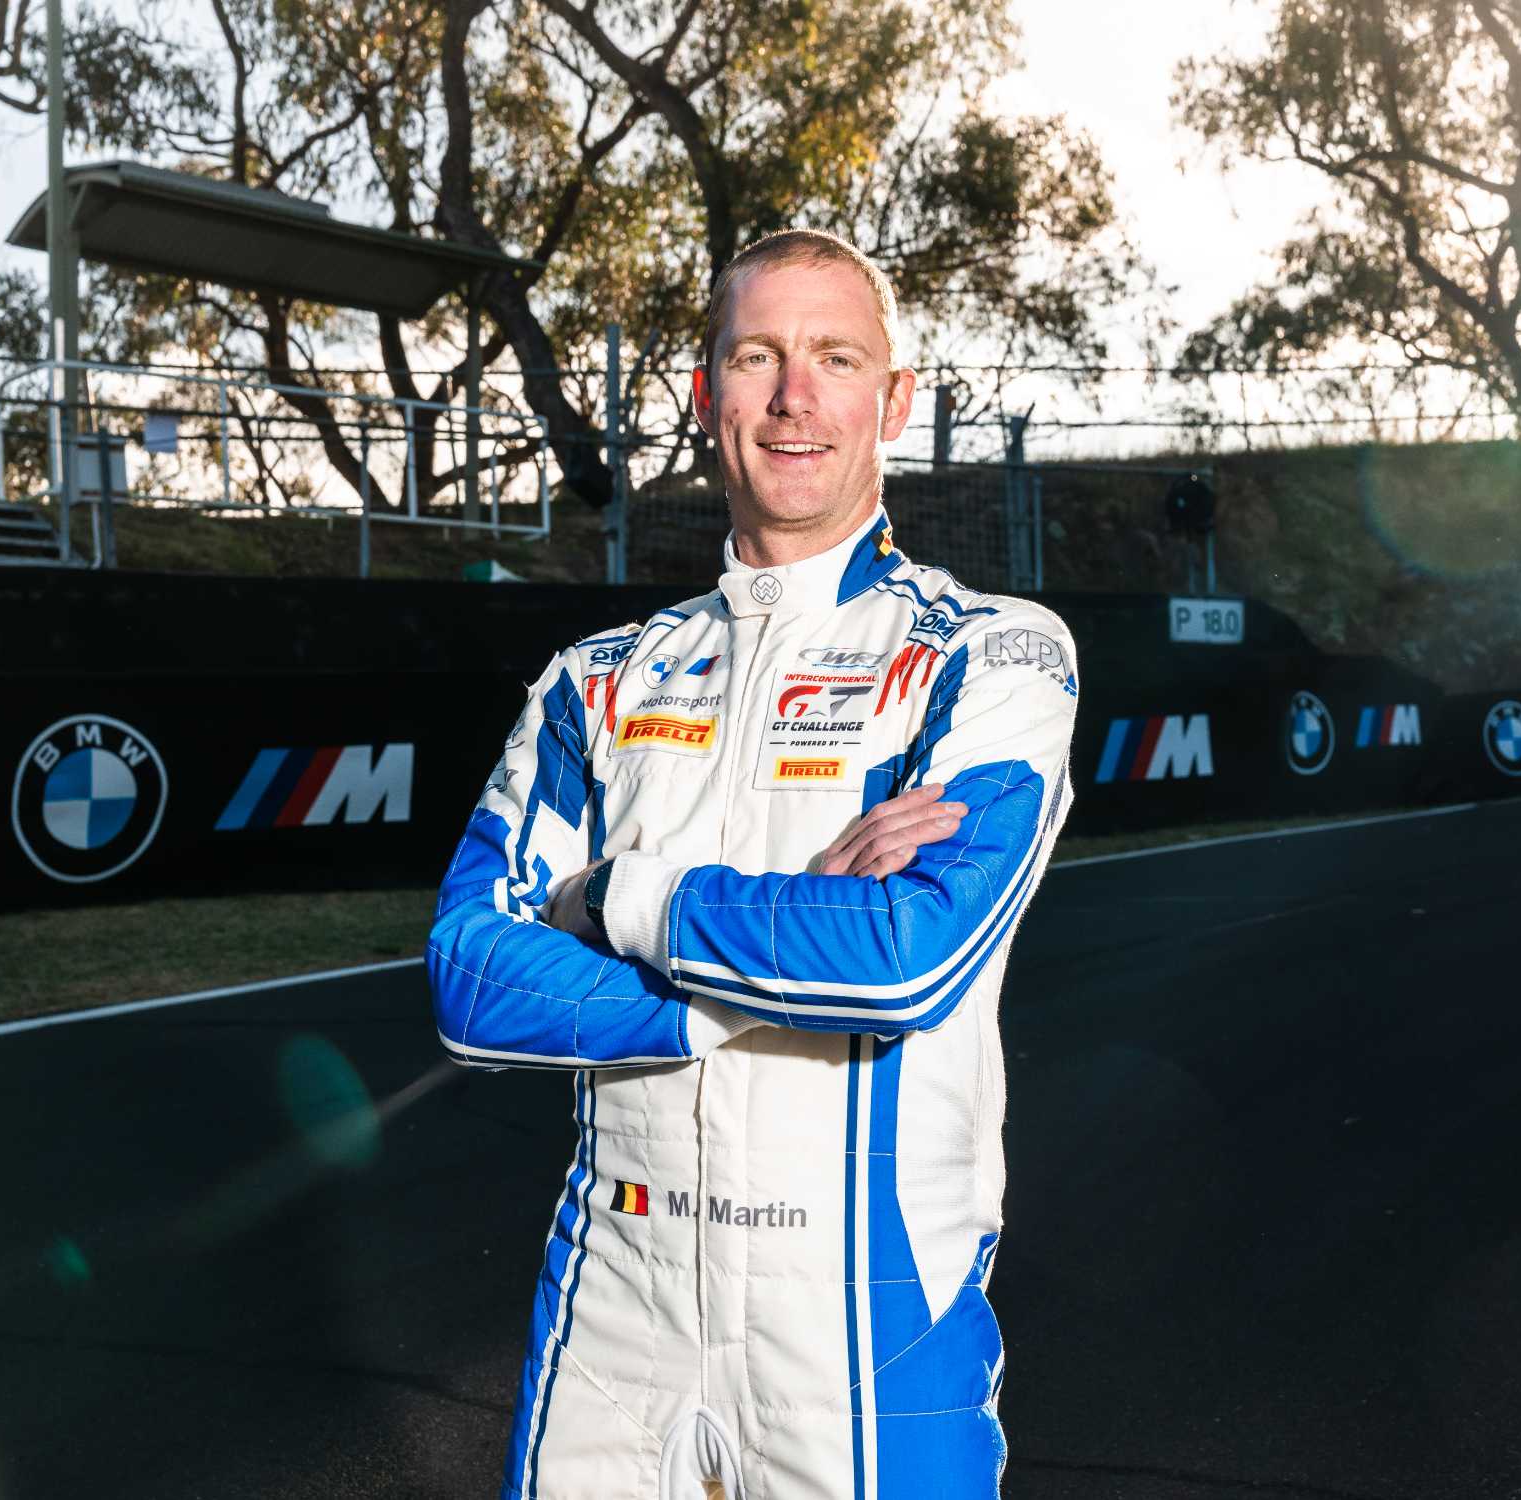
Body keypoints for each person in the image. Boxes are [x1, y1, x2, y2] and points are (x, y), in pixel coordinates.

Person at [428, 228, 1081, 1500]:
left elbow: (901, 964)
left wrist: (613, 899)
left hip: (865, 1317)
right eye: (755, 357)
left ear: (893, 399)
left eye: (835, 357)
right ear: (704, 394)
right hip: (610, 1300)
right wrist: (764, 973)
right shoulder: (594, 680)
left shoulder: (991, 652)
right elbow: (469, 975)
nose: (793, 396)